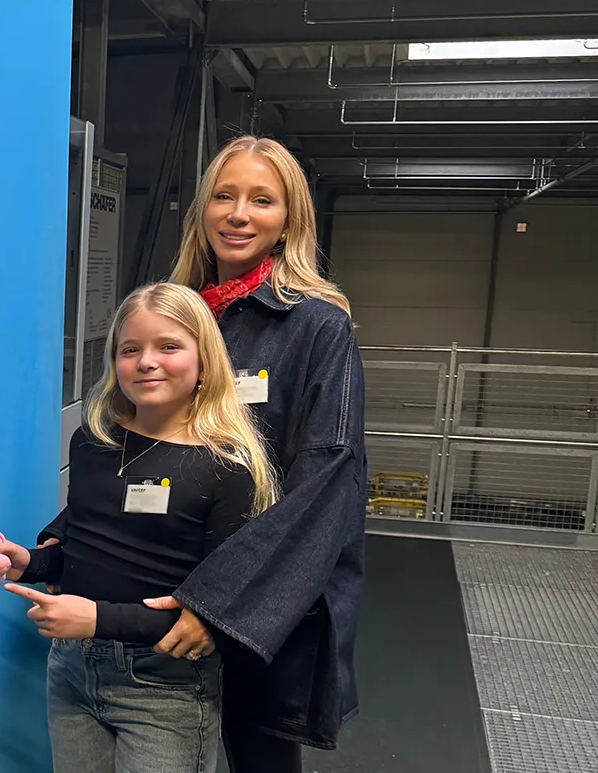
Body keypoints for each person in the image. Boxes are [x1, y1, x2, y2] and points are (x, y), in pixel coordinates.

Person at [40, 136, 368, 772]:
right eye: (224, 195)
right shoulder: (180, 310)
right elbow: (122, 455)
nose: (239, 214)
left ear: (290, 220)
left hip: (257, 602)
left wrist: (218, 605)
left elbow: (327, 482)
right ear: (202, 210)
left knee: (257, 754)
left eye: (262, 200)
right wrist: (55, 548)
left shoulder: (317, 326)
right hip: (149, 606)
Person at [0, 281, 279, 773]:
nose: (147, 361)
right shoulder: (94, 442)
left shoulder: (227, 467)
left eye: (168, 346)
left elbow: (216, 616)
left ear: (205, 358)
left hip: (165, 688)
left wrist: (97, 620)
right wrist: (29, 562)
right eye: (131, 350)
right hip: (72, 670)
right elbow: (88, 548)